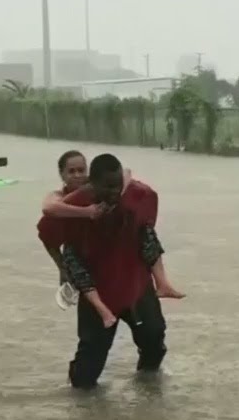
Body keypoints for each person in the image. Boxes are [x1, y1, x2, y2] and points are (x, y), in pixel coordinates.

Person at [36, 153, 175, 389]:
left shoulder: (138, 195)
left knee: (154, 340)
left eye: (82, 170)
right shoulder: (67, 206)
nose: (113, 193)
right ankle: (81, 409)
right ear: (94, 185)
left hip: (136, 287)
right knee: (86, 372)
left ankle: (148, 390)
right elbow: (47, 234)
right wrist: (62, 268)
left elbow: (148, 231)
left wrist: (160, 279)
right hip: (98, 293)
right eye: (72, 171)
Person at [39, 150, 184, 300]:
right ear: (62, 174)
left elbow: (127, 172)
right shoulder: (58, 196)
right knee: (70, 249)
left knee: (145, 230)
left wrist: (116, 195)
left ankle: (162, 283)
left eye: (81, 170)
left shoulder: (100, 184)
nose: (77, 175)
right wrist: (87, 211)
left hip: (115, 248)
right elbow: (48, 210)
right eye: (71, 171)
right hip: (86, 251)